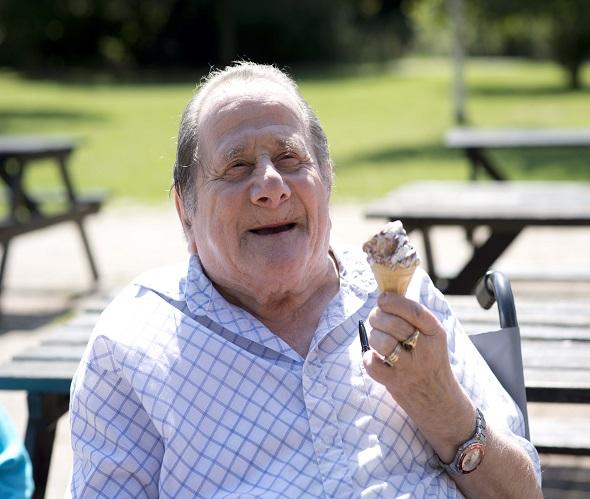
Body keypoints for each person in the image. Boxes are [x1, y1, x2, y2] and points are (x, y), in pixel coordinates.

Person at [69, 61, 542, 498]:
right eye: (237, 166)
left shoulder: (405, 302)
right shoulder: (129, 347)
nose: (271, 186)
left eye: (291, 159)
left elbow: (523, 494)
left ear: (327, 181)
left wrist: (444, 410)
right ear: (184, 211)